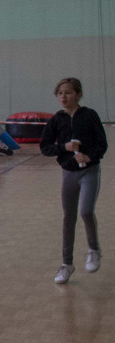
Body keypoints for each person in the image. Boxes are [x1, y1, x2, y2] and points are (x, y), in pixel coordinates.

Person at [40, 77, 107, 285]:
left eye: (67, 92)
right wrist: (64, 148)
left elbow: (102, 145)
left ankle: (93, 250)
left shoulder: (90, 115)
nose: (63, 97)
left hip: (90, 172)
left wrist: (89, 157)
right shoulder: (56, 120)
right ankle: (67, 264)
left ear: (78, 94)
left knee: (86, 211)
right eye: (60, 93)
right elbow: (45, 147)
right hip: (68, 174)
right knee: (68, 219)